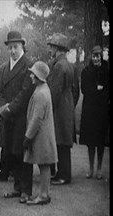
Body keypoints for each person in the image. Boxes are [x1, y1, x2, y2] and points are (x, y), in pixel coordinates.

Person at [0, 30, 35, 203]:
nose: (12, 51)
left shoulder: (29, 64)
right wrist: (3, 107)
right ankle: (17, 188)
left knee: (22, 154)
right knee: (11, 151)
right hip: (8, 117)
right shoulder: (4, 67)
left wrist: (9, 108)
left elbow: (25, 93)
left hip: (21, 117)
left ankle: (26, 189)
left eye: (15, 47)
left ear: (22, 47)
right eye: (10, 47)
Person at [22, 61, 58, 205]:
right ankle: (44, 193)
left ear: (38, 76)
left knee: (43, 165)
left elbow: (37, 118)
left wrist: (27, 137)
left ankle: (43, 195)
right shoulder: (43, 89)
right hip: (44, 135)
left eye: (33, 74)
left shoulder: (41, 94)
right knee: (45, 164)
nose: (31, 76)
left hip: (41, 136)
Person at [46, 33, 75, 185]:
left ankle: (64, 175)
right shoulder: (69, 65)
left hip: (59, 109)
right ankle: (62, 173)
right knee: (63, 141)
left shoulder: (58, 66)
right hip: (67, 106)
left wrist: (48, 107)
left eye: (51, 46)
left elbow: (54, 92)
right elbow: (75, 90)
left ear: (57, 48)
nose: (50, 49)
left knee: (61, 142)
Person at [79, 45, 109, 180]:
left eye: (98, 56)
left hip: (102, 110)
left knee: (101, 141)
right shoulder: (86, 71)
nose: (96, 59)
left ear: (101, 56)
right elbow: (85, 89)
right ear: (91, 57)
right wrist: (97, 90)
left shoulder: (107, 70)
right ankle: (91, 168)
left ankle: (99, 169)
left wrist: (102, 92)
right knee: (91, 141)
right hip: (90, 110)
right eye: (94, 56)